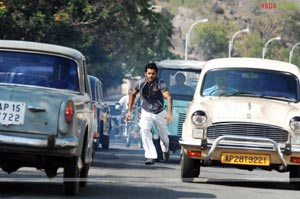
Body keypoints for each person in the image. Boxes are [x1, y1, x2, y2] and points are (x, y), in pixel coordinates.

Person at [125, 62, 173, 165]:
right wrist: (129, 111)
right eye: (149, 73)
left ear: (156, 73)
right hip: (146, 111)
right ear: (145, 73)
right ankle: (150, 156)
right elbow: (132, 95)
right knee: (144, 131)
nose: (151, 76)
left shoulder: (160, 83)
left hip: (159, 112)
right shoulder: (140, 83)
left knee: (164, 135)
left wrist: (169, 113)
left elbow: (168, 97)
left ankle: (165, 150)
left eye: (153, 73)